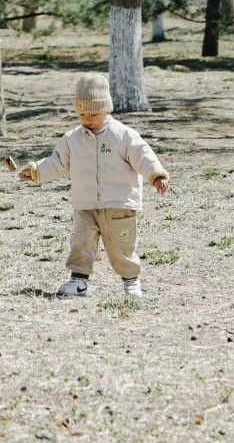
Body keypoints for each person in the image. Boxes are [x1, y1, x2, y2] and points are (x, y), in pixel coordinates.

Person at [18, 72, 169, 299]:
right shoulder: (72, 139)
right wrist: (37, 171)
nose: (87, 118)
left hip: (118, 202)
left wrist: (156, 175)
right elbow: (57, 162)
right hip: (85, 203)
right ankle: (78, 280)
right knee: (81, 241)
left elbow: (143, 156)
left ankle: (131, 281)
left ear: (107, 109)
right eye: (81, 114)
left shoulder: (123, 135)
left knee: (121, 245)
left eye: (93, 113)